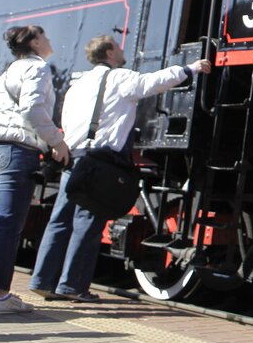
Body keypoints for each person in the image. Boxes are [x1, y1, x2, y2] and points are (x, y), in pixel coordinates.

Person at [28, 35, 210, 302]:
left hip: (74, 157)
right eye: (119, 46)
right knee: (87, 224)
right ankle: (72, 287)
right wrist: (190, 69)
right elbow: (152, 83)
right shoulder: (119, 78)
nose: (123, 50)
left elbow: (64, 119)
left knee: (59, 221)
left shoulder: (77, 85)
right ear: (110, 52)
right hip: (99, 162)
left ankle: (42, 280)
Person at [0, 24, 70, 314]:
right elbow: (31, 109)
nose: (49, 40)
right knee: (8, 224)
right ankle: (0, 296)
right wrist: (57, 141)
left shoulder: (9, 71)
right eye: (45, 36)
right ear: (35, 43)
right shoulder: (37, 69)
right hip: (16, 151)